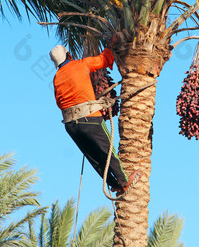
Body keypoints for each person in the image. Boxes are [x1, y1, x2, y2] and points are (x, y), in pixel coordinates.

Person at [49, 39, 139, 195]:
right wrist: (110, 45)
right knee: (107, 150)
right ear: (69, 54)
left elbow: (59, 102)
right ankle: (124, 182)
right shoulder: (80, 64)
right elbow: (104, 59)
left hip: (71, 126)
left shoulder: (57, 78)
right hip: (90, 119)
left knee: (93, 157)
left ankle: (113, 184)